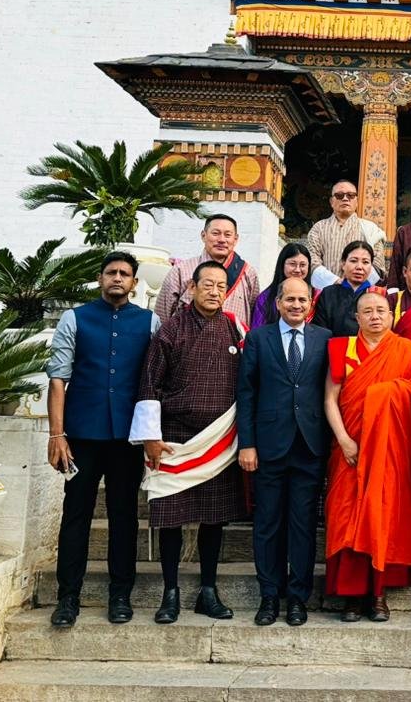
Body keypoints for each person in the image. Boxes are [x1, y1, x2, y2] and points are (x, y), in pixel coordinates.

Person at [129, 261, 248, 625]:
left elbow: (249, 379)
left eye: (220, 286)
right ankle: (170, 592)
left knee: (215, 520)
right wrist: (151, 437)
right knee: (171, 520)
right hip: (175, 440)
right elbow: (149, 383)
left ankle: (208, 591)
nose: (214, 291)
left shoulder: (233, 327)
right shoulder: (170, 330)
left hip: (219, 440)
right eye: (207, 284)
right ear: (192, 288)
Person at [46, 252, 159, 627]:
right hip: (81, 434)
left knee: (124, 514)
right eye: (111, 272)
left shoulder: (150, 322)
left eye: (125, 274)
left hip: (127, 437)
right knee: (75, 513)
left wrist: (151, 436)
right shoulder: (75, 318)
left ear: (134, 282)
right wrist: (56, 434)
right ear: (100, 278)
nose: (117, 278)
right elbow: (59, 379)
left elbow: (154, 381)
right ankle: (68, 597)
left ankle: (120, 593)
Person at [236, 277, 331, 627]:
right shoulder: (259, 339)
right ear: (277, 303)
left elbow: (331, 393)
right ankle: (269, 595)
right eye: (289, 299)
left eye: (302, 300)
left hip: (309, 446)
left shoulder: (324, 338)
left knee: (303, 526)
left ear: (310, 304)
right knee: (267, 524)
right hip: (267, 447)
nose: (296, 305)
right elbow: (246, 393)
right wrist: (247, 443)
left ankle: (297, 598)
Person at [323, 292, 411, 623]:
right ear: (357, 316)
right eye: (367, 311)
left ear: (392, 316)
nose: (375, 316)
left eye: (381, 311)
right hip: (349, 448)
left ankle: (378, 594)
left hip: (389, 450)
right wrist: (344, 439)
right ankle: (351, 596)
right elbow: (330, 399)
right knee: (346, 515)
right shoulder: (343, 348)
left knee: (382, 514)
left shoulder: (408, 352)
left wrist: (386, 394)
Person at [155, 214, 260, 326]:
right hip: (186, 341)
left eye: (228, 235)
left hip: (233, 342)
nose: (221, 240)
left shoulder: (248, 273)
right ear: (203, 235)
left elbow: (255, 318)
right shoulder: (180, 271)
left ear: (235, 239)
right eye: (215, 233)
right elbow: (162, 317)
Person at [306, 178, 387, 277]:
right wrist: (333, 282)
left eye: (350, 195)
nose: (345, 198)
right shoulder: (318, 228)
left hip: (361, 290)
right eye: (339, 195)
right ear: (331, 201)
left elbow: (377, 265)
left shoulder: (371, 229)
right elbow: (312, 260)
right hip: (327, 289)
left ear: (357, 201)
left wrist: (355, 285)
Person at [311, 241, 383, 337]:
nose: (359, 267)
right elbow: (320, 331)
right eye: (353, 261)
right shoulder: (328, 293)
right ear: (343, 264)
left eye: (365, 262)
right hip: (334, 349)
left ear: (371, 267)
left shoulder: (379, 295)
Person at [251, 243, 315, 329]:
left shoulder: (317, 297)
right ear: (282, 265)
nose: (297, 270)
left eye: (303, 265)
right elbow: (257, 335)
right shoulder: (266, 298)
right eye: (292, 264)